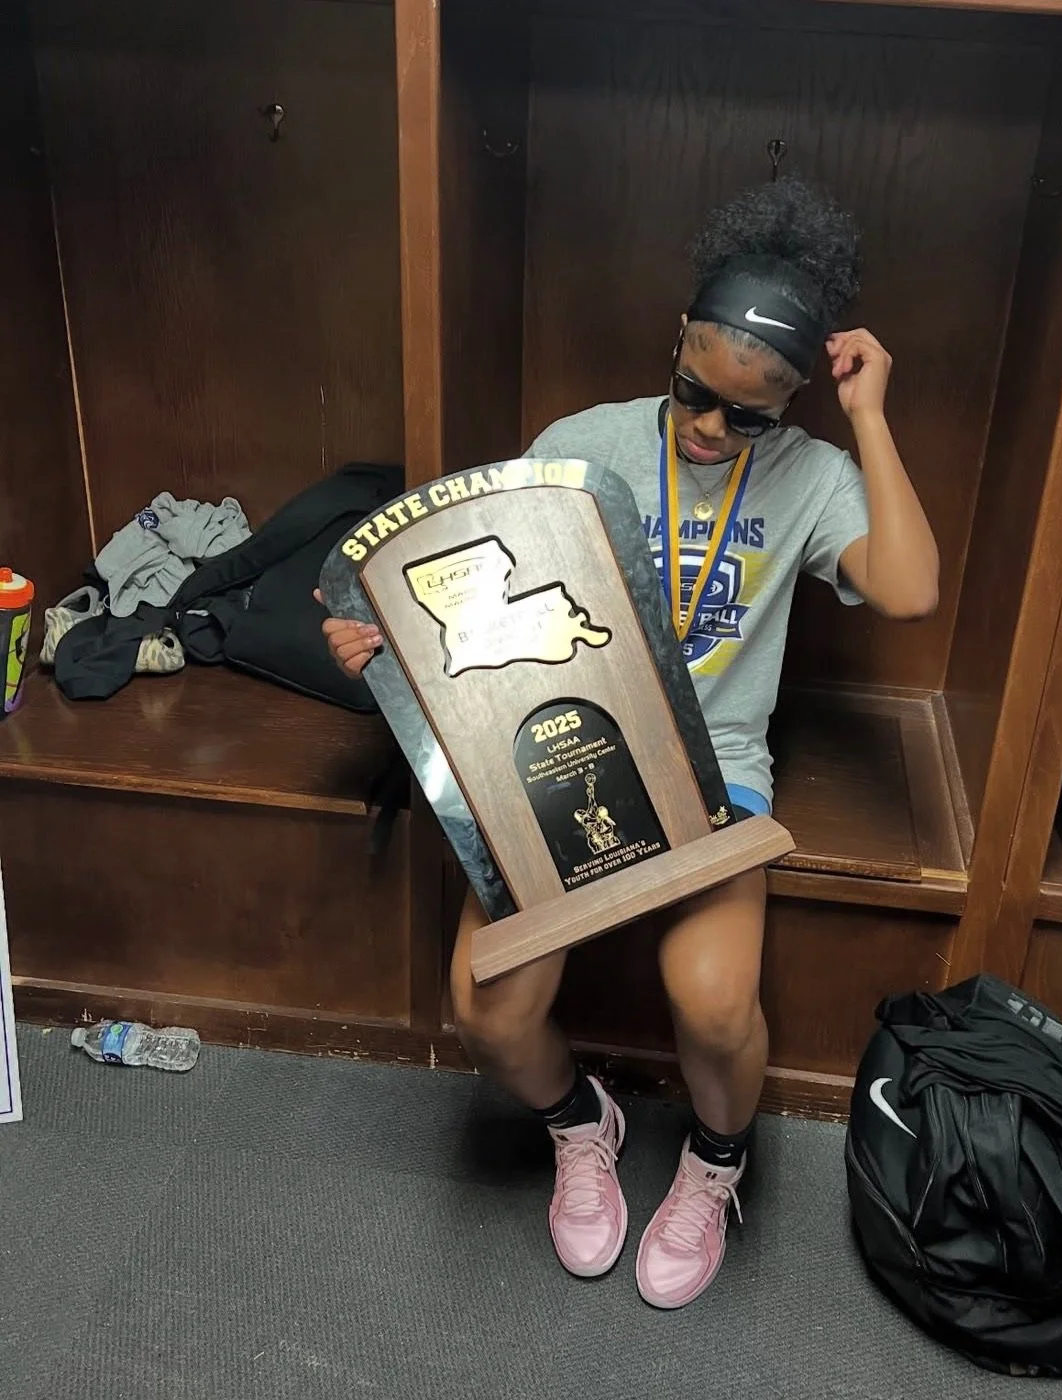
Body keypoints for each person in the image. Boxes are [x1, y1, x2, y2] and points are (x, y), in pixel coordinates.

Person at [318, 179, 939, 1309]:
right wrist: (389, 644)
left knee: (709, 1004)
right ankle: (578, 1122)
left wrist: (868, 417)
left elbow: (907, 589)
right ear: (674, 347)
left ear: (795, 400)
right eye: (694, 392)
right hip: (561, 751)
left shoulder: (810, 479)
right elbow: (489, 615)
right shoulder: (582, 446)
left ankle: (714, 1161)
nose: (709, 429)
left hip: (713, 777)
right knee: (489, 1008)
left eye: (746, 415)